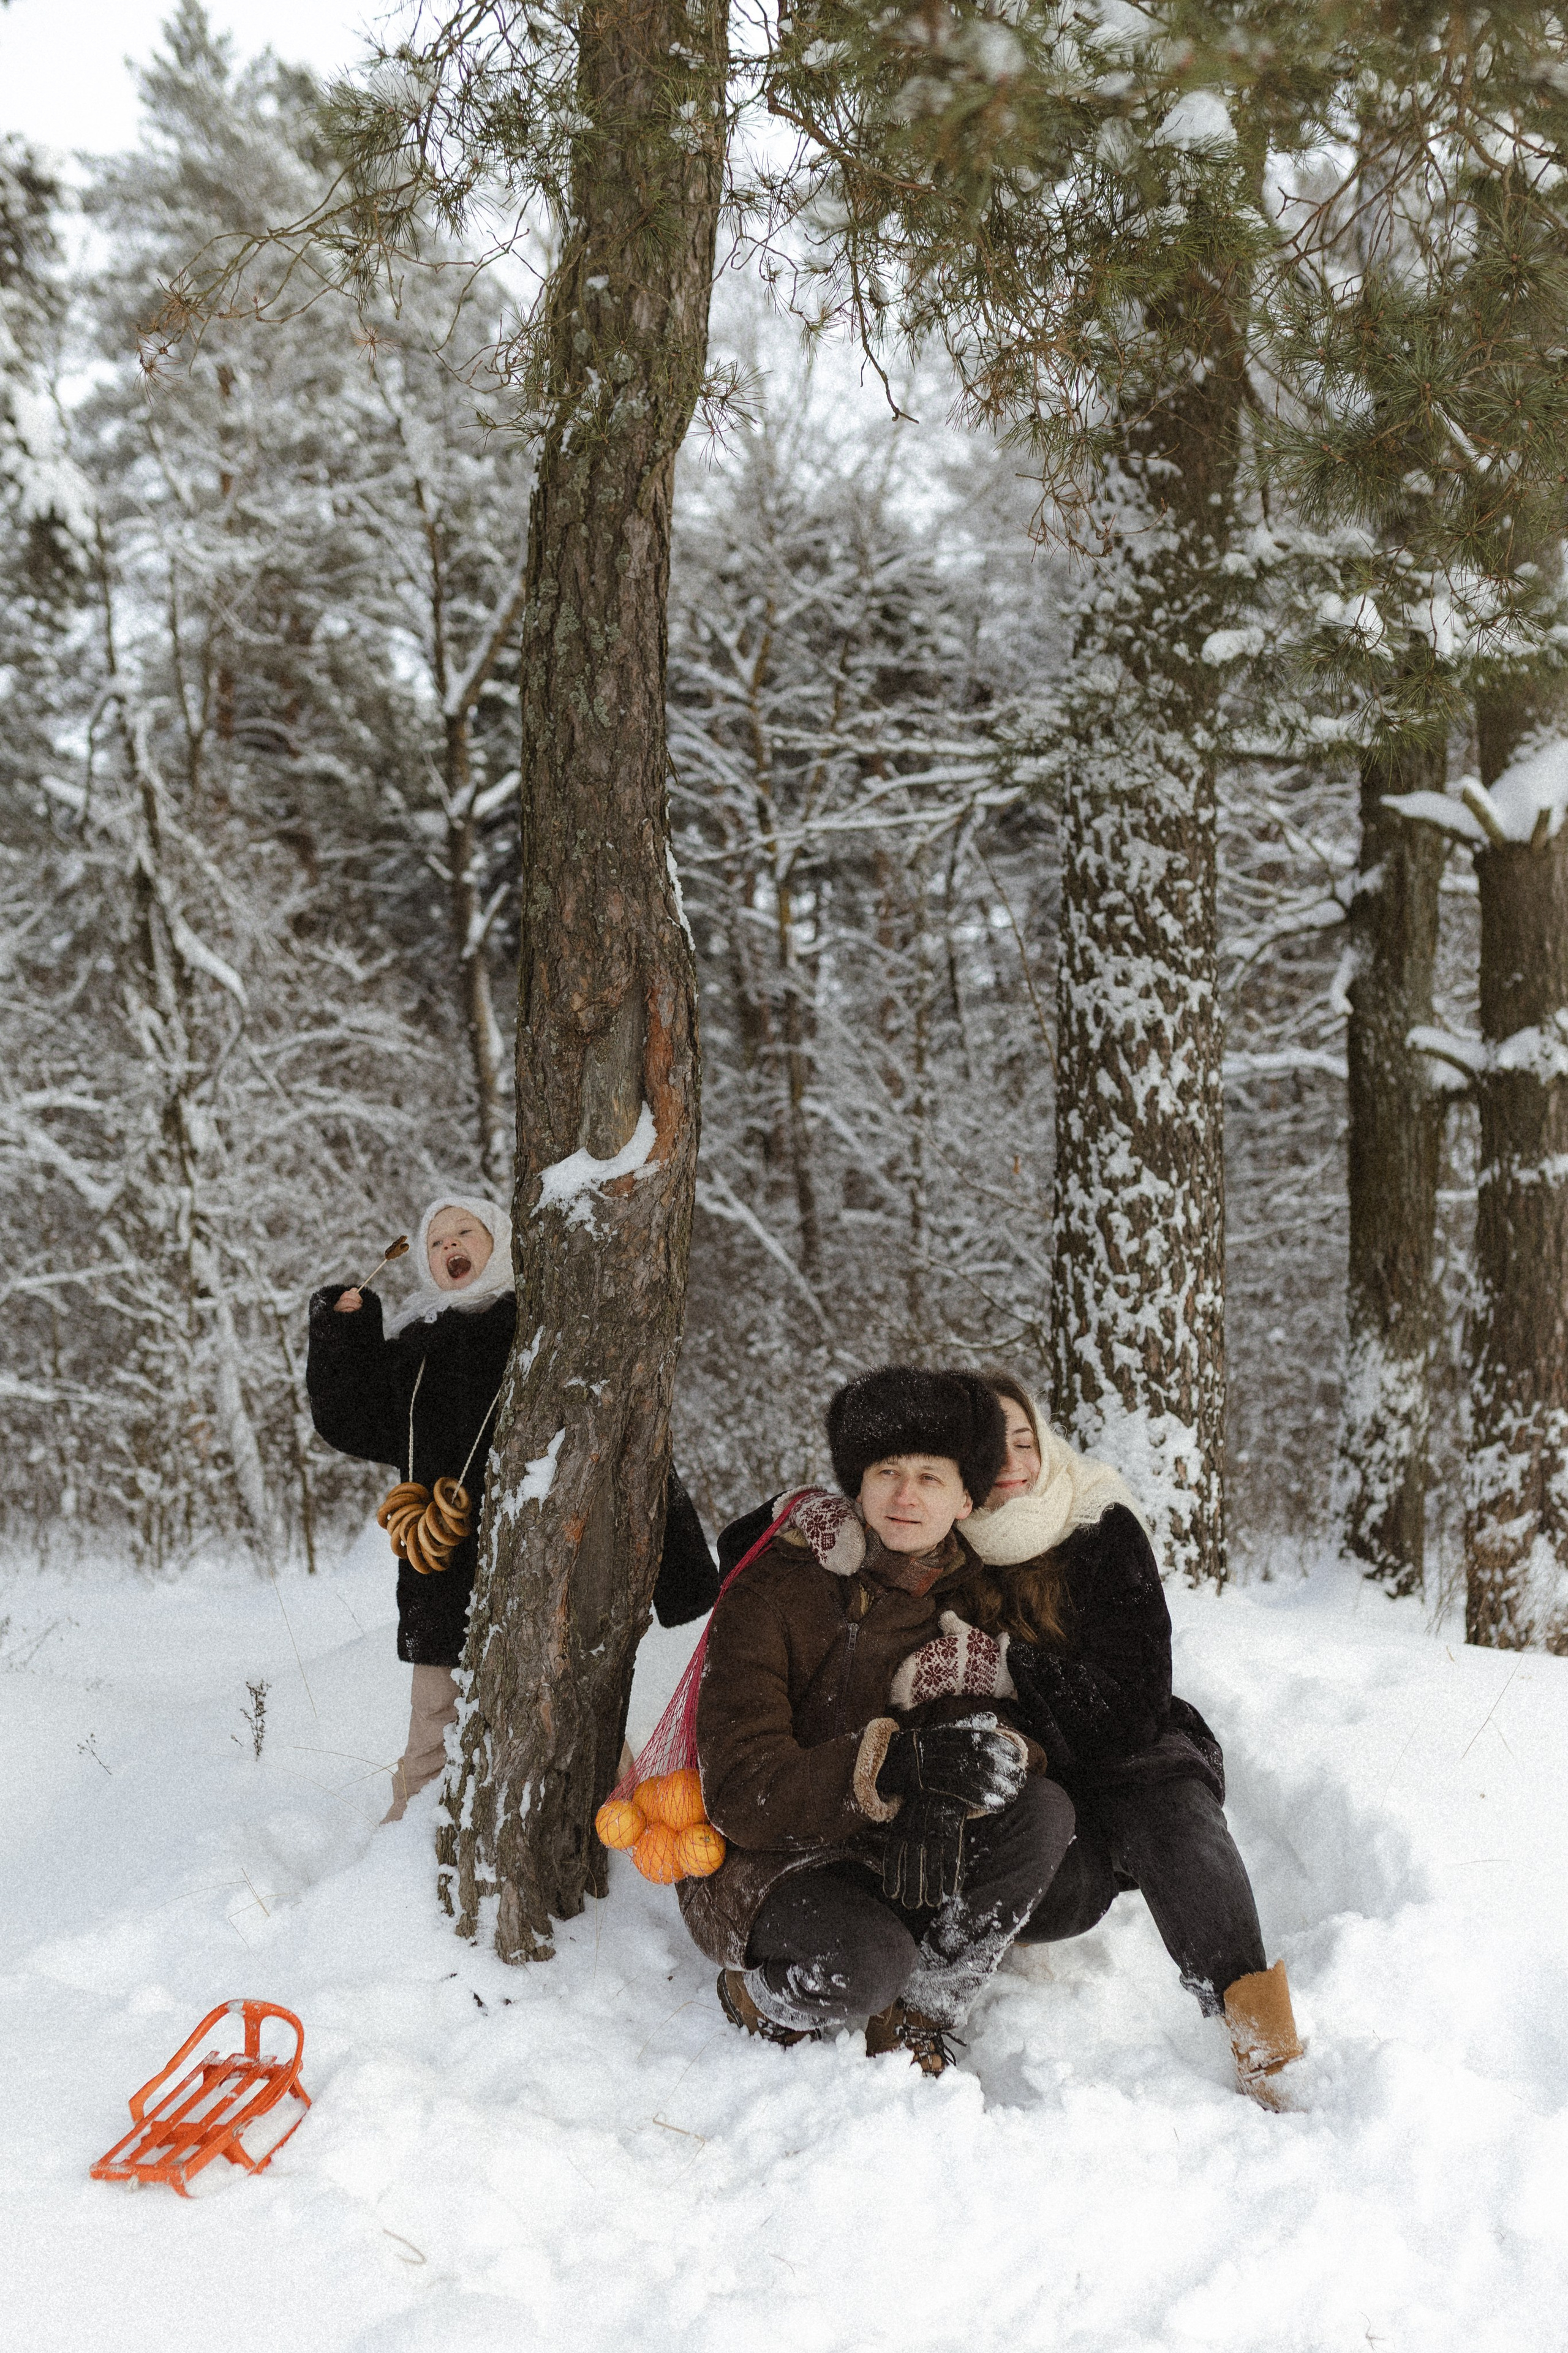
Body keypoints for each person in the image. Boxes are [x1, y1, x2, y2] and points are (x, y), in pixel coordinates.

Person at [889, 1371, 1305, 2104]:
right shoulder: (936, 1541)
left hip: (1130, 1747)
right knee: (1070, 1891)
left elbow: (1134, 1702)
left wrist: (1008, 1668)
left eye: (1025, 1439)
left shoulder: (1098, 1521)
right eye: (990, 1445)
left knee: (1174, 1815)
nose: (1013, 1460)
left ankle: (1265, 2046)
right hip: (1039, 1779)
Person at [680, 1366, 1076, 2077]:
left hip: (885, 1853)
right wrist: (890, 1766)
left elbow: (1003, 1733)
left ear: (965, 1498)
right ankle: (758, 1996)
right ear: (857, 1486)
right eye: (887, 1471)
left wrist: (946, 1784)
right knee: (867, 1965)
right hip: (765, 1861)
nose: (904, 1495)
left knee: (1042, 1809)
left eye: (930, 1477)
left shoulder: (964, 1603)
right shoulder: (773, 1587)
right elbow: (739, 1790)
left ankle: (921, 2011)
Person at [308, 1198, 718, 1822]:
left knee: (570, 1712)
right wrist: (345, 1334)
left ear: (498, 1241)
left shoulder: (539, 1335)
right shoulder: (414, 1352)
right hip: (441, 1562)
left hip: (542, 1560)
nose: (450, 1245)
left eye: (465, 1231)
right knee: (434, 1723)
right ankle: (403, 1851)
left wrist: (680, 1571)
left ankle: (621, 1830)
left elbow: (625, 1440)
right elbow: (350, 1420)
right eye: (436, 1241)